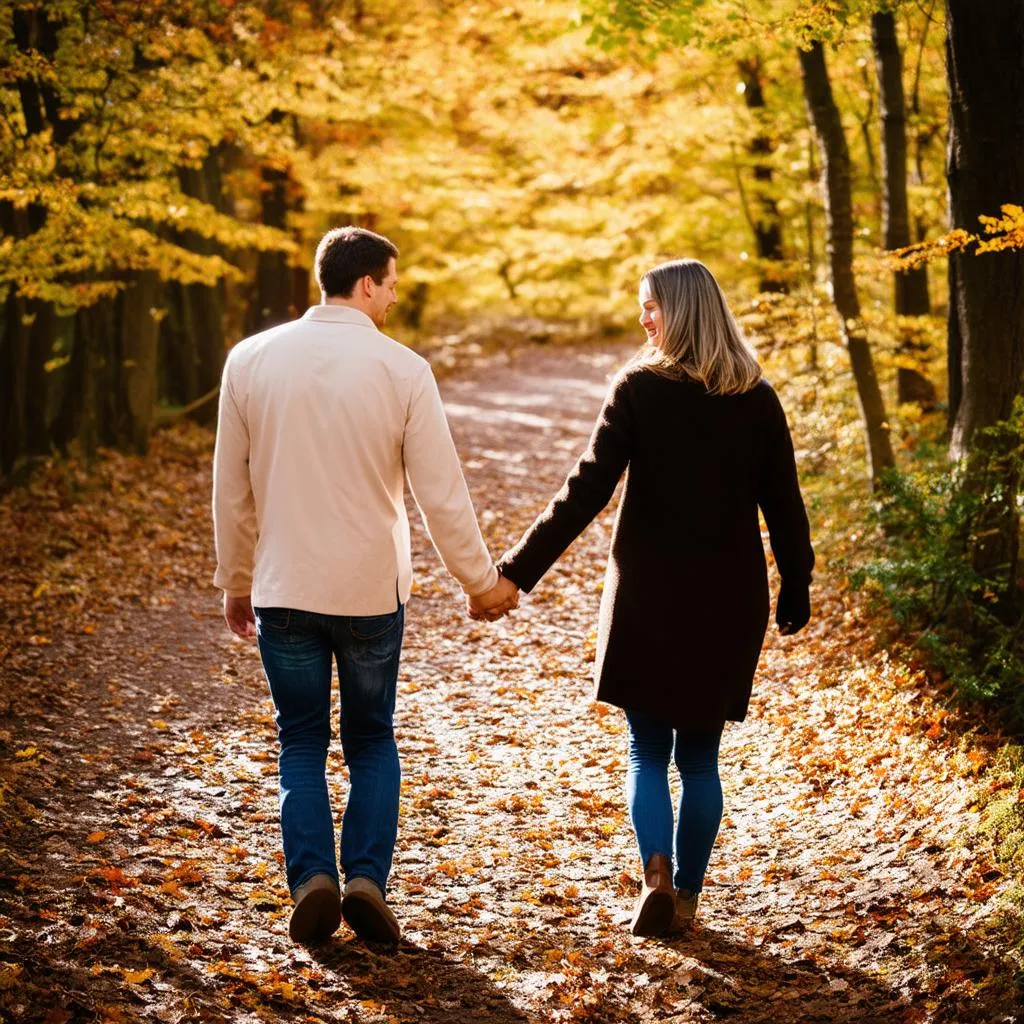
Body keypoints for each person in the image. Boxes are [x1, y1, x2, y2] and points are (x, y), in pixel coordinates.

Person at [212, 226, 518, 946]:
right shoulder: (402, 370)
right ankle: (366, 882)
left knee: (300, 741)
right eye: (392, 283)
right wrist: (481, 582)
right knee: (373, 740)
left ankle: (313, 877)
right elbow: (440, 493)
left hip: (283, 588)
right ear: (367, 284)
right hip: (370, 594)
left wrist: (235, 578)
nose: (396, 296)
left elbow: (232, 490)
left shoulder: (249, 360)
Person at [497, 258, 814, 937]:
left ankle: (657, 878)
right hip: (728, 599)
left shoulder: (638, 389)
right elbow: (785, 505)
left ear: (681, 310)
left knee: (647, 751)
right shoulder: (756, 397)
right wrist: (797, 581)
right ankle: (689, 899)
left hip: (648, 594)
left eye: (652, 307)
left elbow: (585, 490)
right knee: (699, 759)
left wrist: (517, 573)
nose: (644, 319)